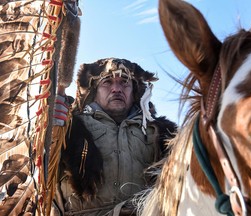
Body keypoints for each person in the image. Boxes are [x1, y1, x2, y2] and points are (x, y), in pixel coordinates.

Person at [52, 58, 177, 216]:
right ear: (94, 91)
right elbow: (39, 167)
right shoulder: (69, 126)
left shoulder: (162, 133)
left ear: (135, 92)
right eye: (107, 82)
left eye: (125, 82)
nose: (117, 89)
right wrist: (47, 130)